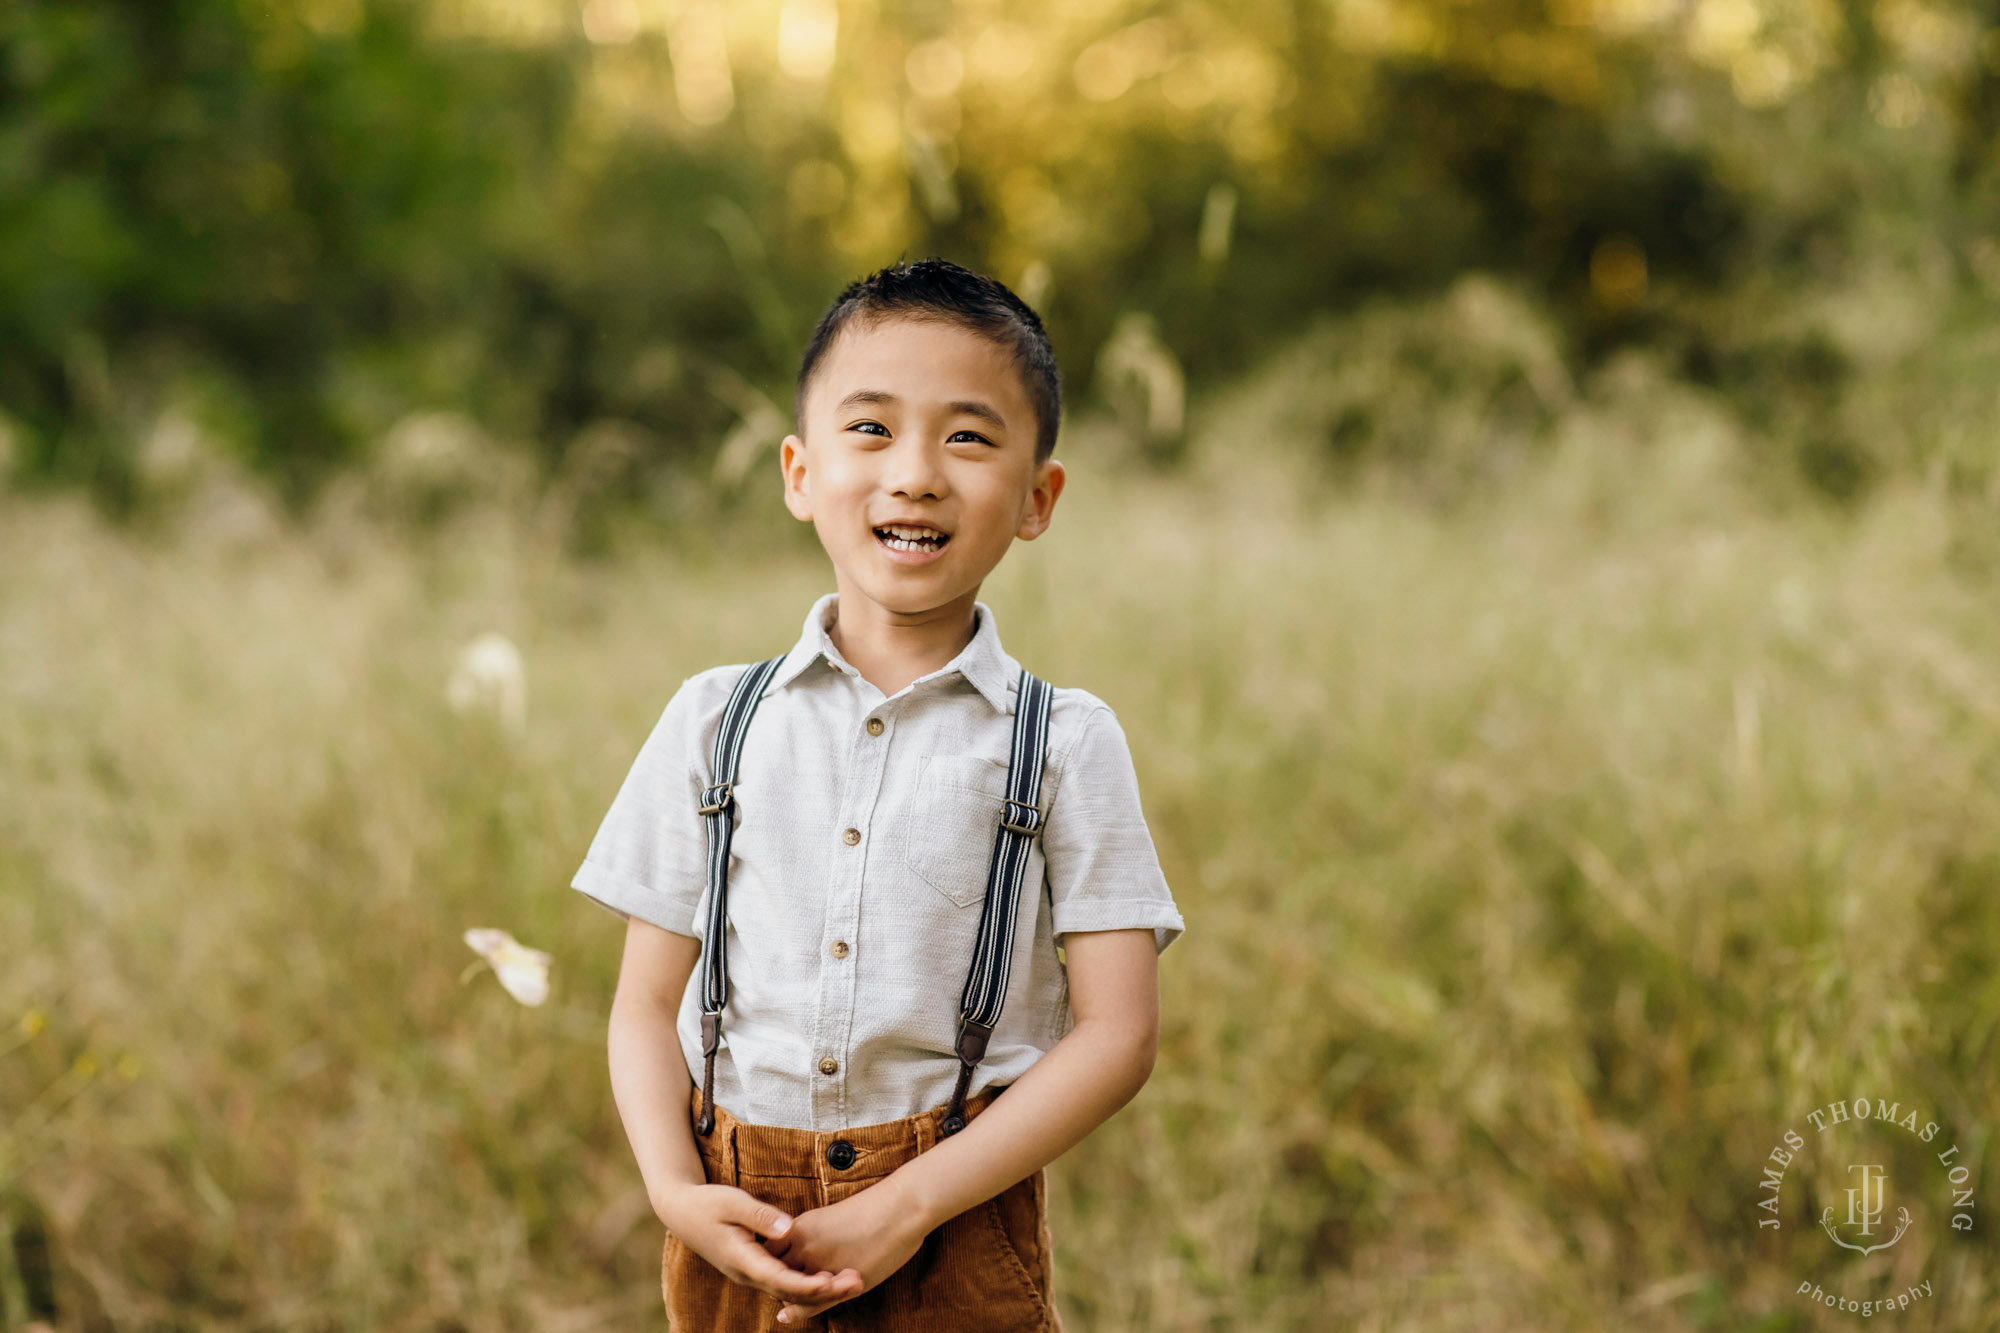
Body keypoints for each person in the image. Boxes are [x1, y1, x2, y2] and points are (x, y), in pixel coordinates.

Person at [570, 257, 1186, 1331]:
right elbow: (640, 1006)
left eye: (967, 436)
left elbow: (1116, 1033)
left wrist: (905, 1205)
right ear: (798, 473)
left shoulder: (1062, 741)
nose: (914, 474)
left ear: (1037, 497)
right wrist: (674, 1190)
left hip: (953, 1212)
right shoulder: (714, 719)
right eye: (870, 430)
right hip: (735, 1213)